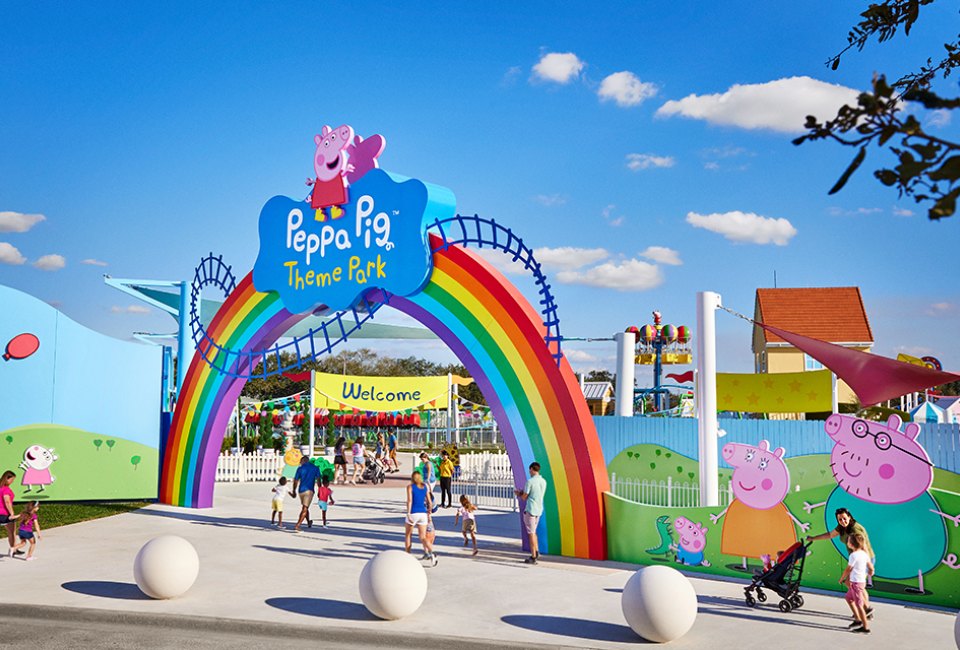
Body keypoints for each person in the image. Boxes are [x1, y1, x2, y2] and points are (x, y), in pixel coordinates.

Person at [808, 507, 875, 616]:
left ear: (849, 517)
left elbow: (864, 547)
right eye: (840, 520)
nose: (843, 521)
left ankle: (866, 609)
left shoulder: (855, 530)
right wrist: (813, 538)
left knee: (854, 584)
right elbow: (830, 535)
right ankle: (864, 608)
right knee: (855, 585)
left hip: (864, 558)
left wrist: (869, 565)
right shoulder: (842, 528)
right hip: (857, 558)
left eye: (844, 518)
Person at [839, 533, 874, 634]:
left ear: (852, 544)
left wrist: (842, 578)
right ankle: (858, 620)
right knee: (849, 598)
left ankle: (865, 628)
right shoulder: (864, 554)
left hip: (856, 583)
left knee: (859, 606)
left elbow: (848, 569)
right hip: (860, 582)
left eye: (849, 541)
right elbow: (871, 567)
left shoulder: (853, 555)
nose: (847, 542)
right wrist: (871, 572)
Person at [515, 461, 547, 565]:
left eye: (530, 470)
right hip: (539, 509)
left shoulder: (530, 482)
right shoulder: (543, 481)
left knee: (531, 533)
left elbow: (524, 497)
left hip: (531, 509)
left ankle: (533, 556)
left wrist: (519, 493)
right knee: (534, 531)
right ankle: (536, 551)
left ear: (532, 469)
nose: (529, 472)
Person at [404, 470, 437, 566]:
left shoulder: (410, 487)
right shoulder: (425, 487)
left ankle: (408, 554)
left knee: (408, 535)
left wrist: (408, 513)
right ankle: (432, 552)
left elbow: (409, 501)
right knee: (423, 537)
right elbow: (429, 502)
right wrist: (429, 511)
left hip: (414, 512)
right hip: (423, 514)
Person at [290, 456, 320, 533]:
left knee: (305, 507)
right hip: (309, 490)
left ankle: (309, 522)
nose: (300, 463)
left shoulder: (300, 468)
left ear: (303, 461)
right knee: (305, 508)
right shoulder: (315, 468)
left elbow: (296, 480)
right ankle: (298, 525)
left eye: (301, 461)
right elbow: (319, 480)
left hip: (301, 490)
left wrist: (294, 490)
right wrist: (320, 490)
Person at [1, 470, 22, 557]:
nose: (12, 482)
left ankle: (14, 549)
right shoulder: (6, 489)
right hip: (5, 514)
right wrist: (12, 513)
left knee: (11, 532)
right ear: (7, 478)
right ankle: (13, 549)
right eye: (12, 480)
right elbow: (7, 502)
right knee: (12, 533)